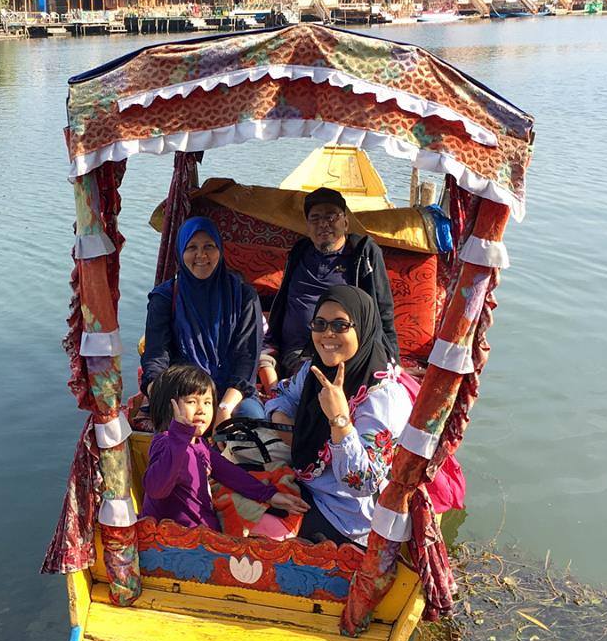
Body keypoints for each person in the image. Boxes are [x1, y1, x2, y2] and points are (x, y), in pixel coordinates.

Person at [264, 284, 412, 546]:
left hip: (347, 518)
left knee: (253, 522)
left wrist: (340, 421)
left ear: (363, 328)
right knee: (230, 490)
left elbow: (362, 483)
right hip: (306, 483)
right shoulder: (315, 370)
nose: (327, 334)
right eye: (319, 324)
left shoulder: (383, 398)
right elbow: (281, 395)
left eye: (341, 325)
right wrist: (284, 425)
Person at [258, 187, 399, 387]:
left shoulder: (362, 253)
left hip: (345, 349)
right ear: (307, 226)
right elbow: (283, 299)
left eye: (331, 216)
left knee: (327, 383)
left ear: (346, 222)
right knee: (310, 383)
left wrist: (394, 360)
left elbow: (383, 309)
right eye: (315, 218)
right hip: (299, 351)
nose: (323, 224)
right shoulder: (299, 251)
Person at [143, 364, 309, 530]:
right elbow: (156, 489)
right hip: (172, 541)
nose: (202, 410)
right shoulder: (166, 442)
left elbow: (230, 473)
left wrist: (269, 495)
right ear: (168, 406)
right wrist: (178, 435)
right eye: (192, 401)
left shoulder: (198, 444)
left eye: (208, 402)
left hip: (202, 532)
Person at [142, 216, 265, 421]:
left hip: (232, 391)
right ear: (181, 253)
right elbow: (156, 355)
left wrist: (224, 407)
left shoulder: (244, 296)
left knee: (251, 419)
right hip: (185, 387)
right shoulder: (164, 297)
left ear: (220, 250)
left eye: (209, 246)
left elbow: (247, 358)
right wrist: (160, 398)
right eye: (191, 247)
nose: (201, 255)